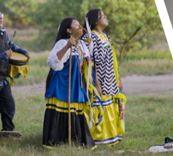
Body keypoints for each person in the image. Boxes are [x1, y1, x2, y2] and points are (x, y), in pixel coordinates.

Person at [43, 17, 95, 148]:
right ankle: (58, 141)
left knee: (75, 113)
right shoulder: (62, 43)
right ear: (68, 30)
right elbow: (53, 63)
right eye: (76, 24)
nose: (80, 26)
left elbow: (87, 68)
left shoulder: (82, 44)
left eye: (79, 24)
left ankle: (76, 141)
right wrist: (67, 46)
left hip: (76, 86)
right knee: (61, 113)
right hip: (63, 85)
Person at [82, 9, 126, 145]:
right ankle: (99, 137)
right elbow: (90, 63)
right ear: (95, 21)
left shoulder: (106, 36)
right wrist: (96, 84)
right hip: (99, 80)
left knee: (111, 105)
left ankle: (113, 135)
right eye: (102, 16)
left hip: (110, 78)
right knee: (100, 106)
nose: (106, 16)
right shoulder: (90, 37)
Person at [0, 12, 28, 134]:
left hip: (2, 79)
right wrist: (4, 55)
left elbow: (11, 45)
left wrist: (23, 51)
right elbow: (6, 52)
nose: (1, 19)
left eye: (1, 18)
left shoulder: (3, 32)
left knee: (8, 106)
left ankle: (7, 132)